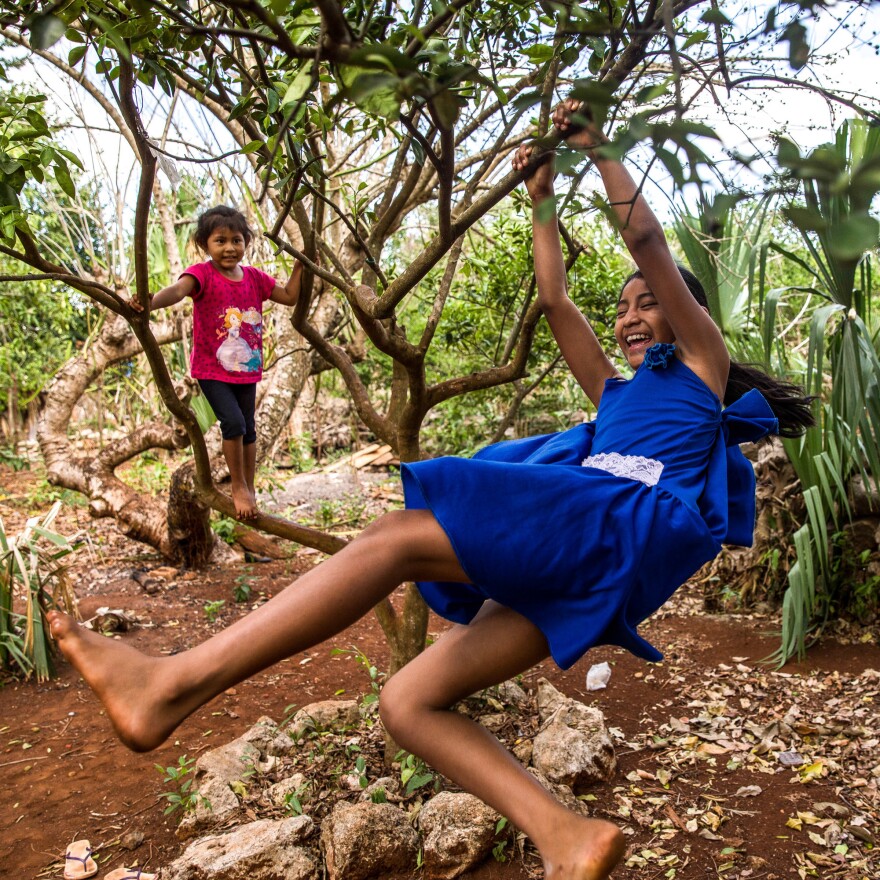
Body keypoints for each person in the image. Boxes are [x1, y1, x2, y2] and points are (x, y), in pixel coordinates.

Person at [49, 103, 813, 880]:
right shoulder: (613, 393)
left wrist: (603, 150)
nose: (630, 316)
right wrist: (543, 194)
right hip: (595, 554)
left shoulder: (701, 369)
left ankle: (172, 682)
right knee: (409, 701)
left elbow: (646, 240)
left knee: (395, 538)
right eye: (622, 308)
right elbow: (553, 299)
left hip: (610, 527)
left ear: (689, 318)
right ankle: (567, 835)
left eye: (647, 301)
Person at [143, 205, 303, 519]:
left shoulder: (255, 277)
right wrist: (147, 302)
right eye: (220, 241)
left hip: (247, 368)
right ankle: (238, 486)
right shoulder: (201, 273)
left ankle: (249, 485)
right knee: (233, 424)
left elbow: (288, 297)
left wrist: (301, 267)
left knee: (249, 429)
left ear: (246, 243)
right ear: (205, 245)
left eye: (236, 240)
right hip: (212, 369)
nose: (229, 247)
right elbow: (177, 291)